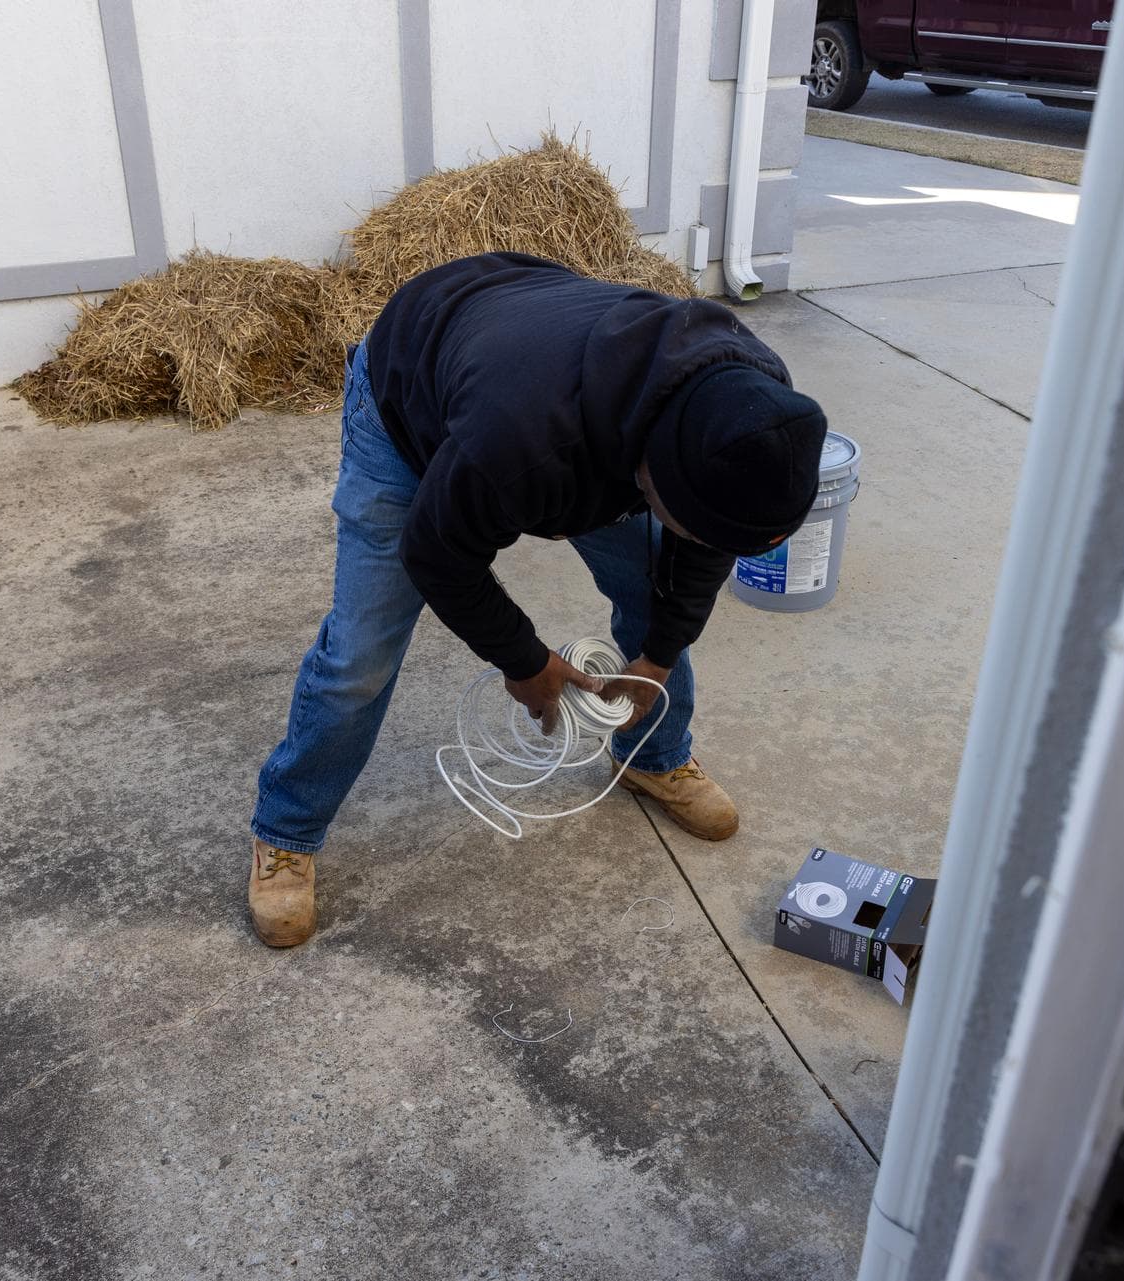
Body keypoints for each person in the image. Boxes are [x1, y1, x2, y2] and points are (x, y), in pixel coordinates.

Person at [248, 252, 829, 947]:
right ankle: (287, 828)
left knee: (654, 593)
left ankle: (652, 755)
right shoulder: (523, 438)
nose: (706, 542)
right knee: (360, 656)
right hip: (410, 390)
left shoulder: (754, 411)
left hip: (553, 373)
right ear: (656, 473)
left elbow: (702, 545)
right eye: (693, 522)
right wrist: (524, 660)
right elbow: (436, 552)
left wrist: (660, 655)